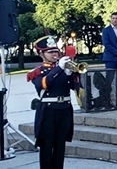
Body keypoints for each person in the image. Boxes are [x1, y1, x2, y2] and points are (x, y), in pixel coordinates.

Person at [27, 36, 81, 169]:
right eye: (50, 52)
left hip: (64, 110)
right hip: (48, 112)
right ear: (41, 54)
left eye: (55, 51)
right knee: (46, 146)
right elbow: (44, 84)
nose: (54, 54)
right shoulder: (37, 72)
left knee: (60, 146)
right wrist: (59, 69)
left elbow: (76, 88)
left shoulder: (63, 70)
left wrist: (71, 74)